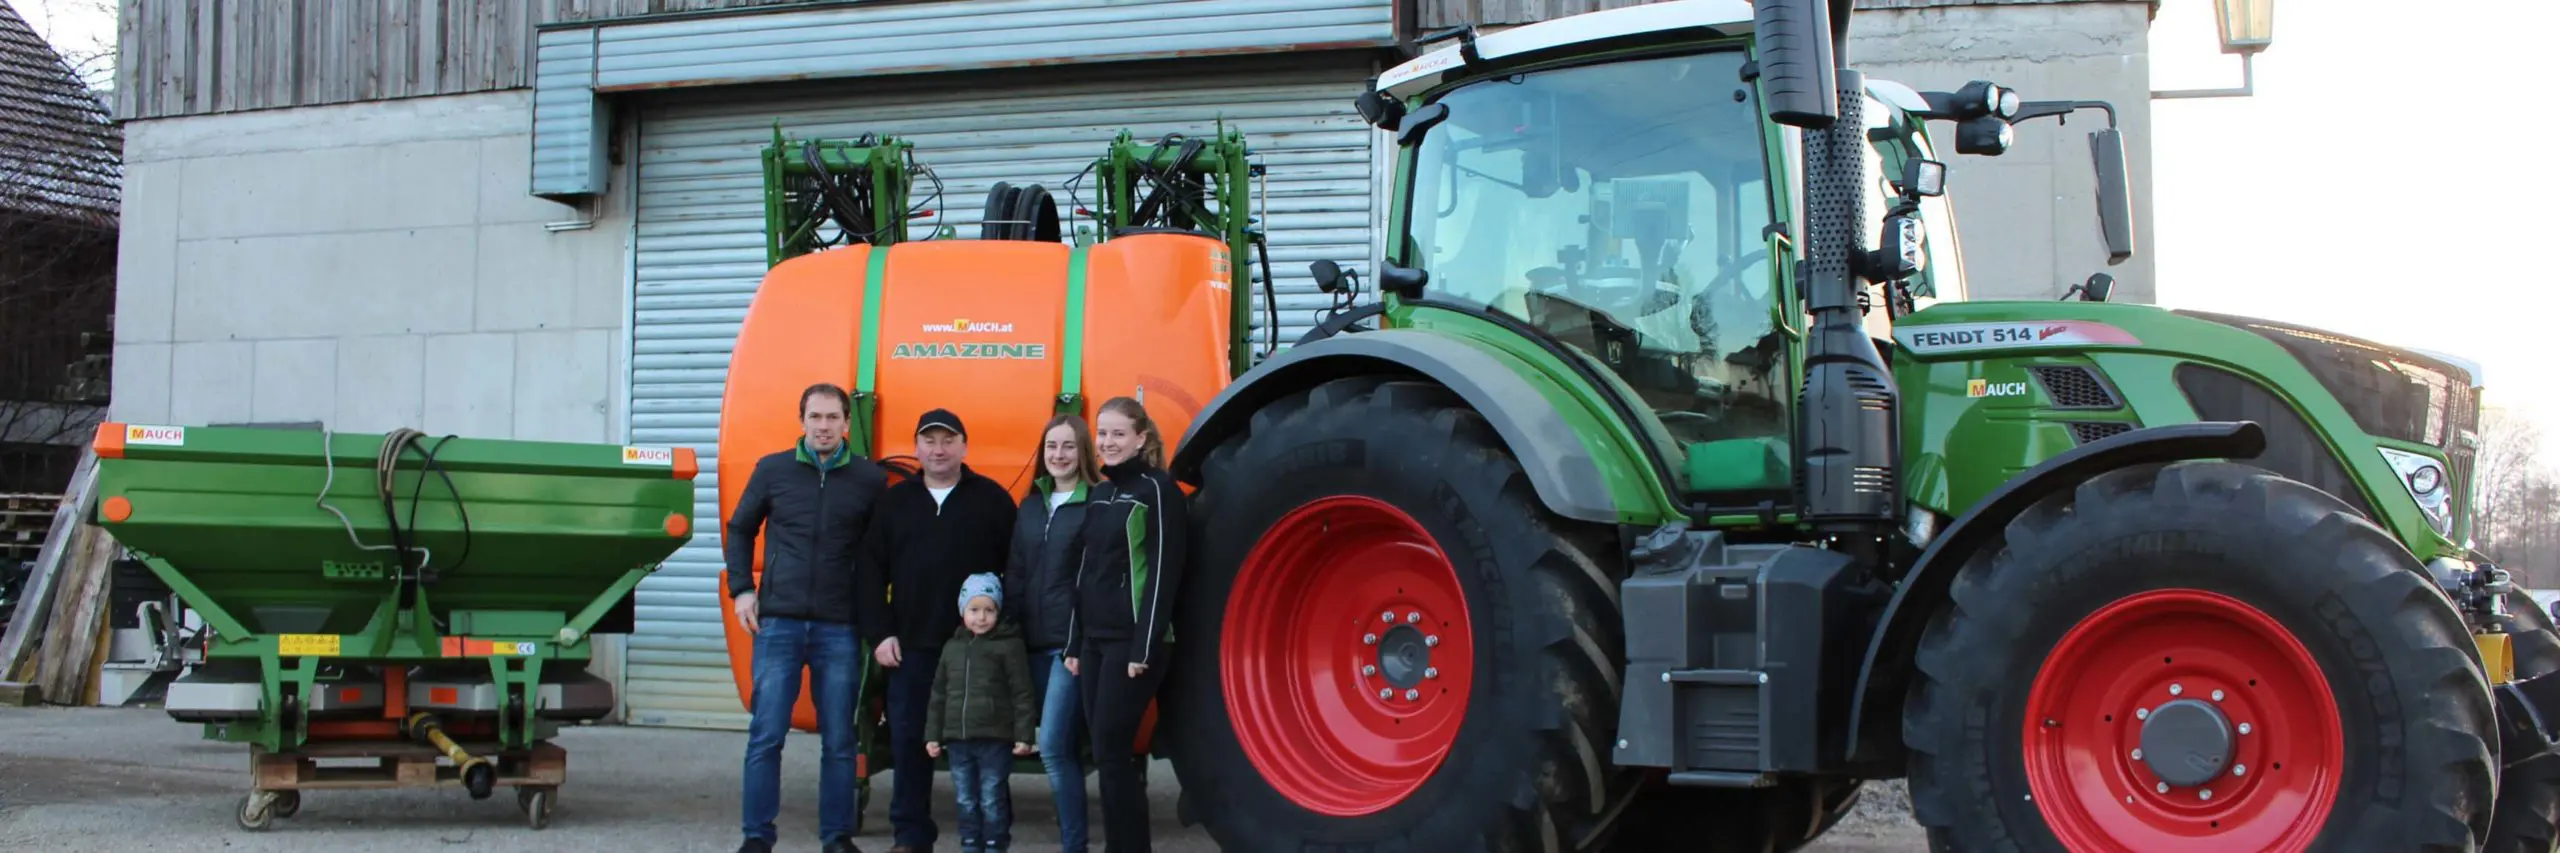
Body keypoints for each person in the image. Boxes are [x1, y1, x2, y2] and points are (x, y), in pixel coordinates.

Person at [723, 383, 888, 853]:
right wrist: (742, 590)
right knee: (766, 735)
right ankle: (757, 838)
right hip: (779, 622)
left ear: (845, 424)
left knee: (839, 739)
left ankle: (836, 838)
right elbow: (740, 529)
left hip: (840, 625)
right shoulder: (772, 470)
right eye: (815, 417)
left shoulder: (868, 480)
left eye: (832, 418)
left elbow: (878, 553)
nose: (823, 426)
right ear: (802, 421)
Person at [858, 408, 1021, 853]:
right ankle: (911, 837)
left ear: (964, 447)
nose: (938, 449)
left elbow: (1019, 569)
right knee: (910, 742)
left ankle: (992, 837)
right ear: (916, 448)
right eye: (929, 440)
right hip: (911, 648)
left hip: (978, 650)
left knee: (987, 747)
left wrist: (1004, 634)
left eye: (948, 440)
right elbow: (869, 571)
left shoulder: (991, 500)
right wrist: (881, 634)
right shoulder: (895, 502)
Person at [1063, 396, 1187, 853]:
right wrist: (1075, 642)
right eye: (1103, 434)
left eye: (1118, 433)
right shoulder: (1099, 494)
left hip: (1135, 643)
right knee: (1106, 752)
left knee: (1113, 753)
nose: (1108, 442)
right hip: (1095, 642)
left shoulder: (1157, 490)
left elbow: (1163, 572)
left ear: (1141, 438)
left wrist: (1144, 646)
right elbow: (1085, 572)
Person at [1001, 414, 1101, 853]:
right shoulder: (1031, 504)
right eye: (1051, 447)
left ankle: (1073, 845)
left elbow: (1096, 579)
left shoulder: (1097, 502)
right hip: (1027, 641)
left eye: (1067, 447)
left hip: (1068, 647)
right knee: (1003, 744)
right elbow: (1016, 571)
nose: (1058, 455)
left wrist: (1080, 640)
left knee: (1055, 748)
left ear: (1083, 452)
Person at [925, 573, 1038, 853]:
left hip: (994, 738)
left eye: (989, 610)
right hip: (958, 739)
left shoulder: (1009, 646)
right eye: (974, 610)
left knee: (991, 797)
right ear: (963, 611)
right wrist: (933, 735)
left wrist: (1024, 735)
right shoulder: (952, 648)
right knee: (965, 798)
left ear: (998, 612)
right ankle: (970, 843)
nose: (981, 617)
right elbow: (938, 695)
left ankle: (995, 843)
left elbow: (1022, 693)